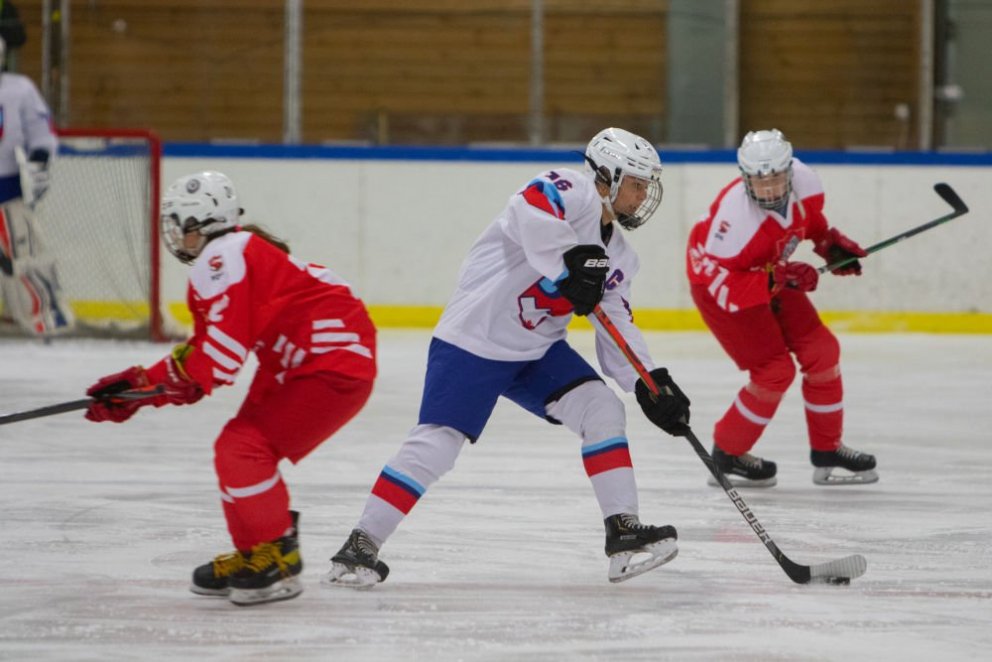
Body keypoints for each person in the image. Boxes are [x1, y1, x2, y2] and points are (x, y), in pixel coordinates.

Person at [324, 128, 692, 589]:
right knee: (438, 444)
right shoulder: (571, 190)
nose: (642, 197)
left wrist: (650, 382)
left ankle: (622, 530)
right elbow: (527, 210)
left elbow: (615, 322)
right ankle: (360, 544)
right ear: (606, 177)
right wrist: (565, 265)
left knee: (603, 409)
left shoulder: (619, 254)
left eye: (645, 186)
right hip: (473, 340)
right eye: (636, 183)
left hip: (535, 352)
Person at [84, 171, 377, 606]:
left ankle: (276, 557)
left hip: (327, 365)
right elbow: (204, 360)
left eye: (178, 225)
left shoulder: (222, 256)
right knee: (236, 449)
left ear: (198, 225)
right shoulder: (232, 253)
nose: (174, 236)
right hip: (304, 362)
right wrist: (143, 389)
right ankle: (257, 552)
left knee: (242, 449)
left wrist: (146, 386)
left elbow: (217, 359)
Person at [686, 129, 878, 488]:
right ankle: (728, 453)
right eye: (760, 182)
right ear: (745, 179)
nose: (771, 189)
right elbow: (726, 284)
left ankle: (827, 450)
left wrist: (830, 246)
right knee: (774, 372)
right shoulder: (734, 225)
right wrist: (779, 278)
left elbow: (808, 222)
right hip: (721, 286)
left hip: (768, 270)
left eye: (776, 178)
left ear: (789, 171)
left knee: (822, 351)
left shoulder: (805, 183)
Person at [0, 35, 74, 336]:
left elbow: (40, 132)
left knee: (26, 259)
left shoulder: (19, 89)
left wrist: (39, 160)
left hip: (7, 193)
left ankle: (47, 318)